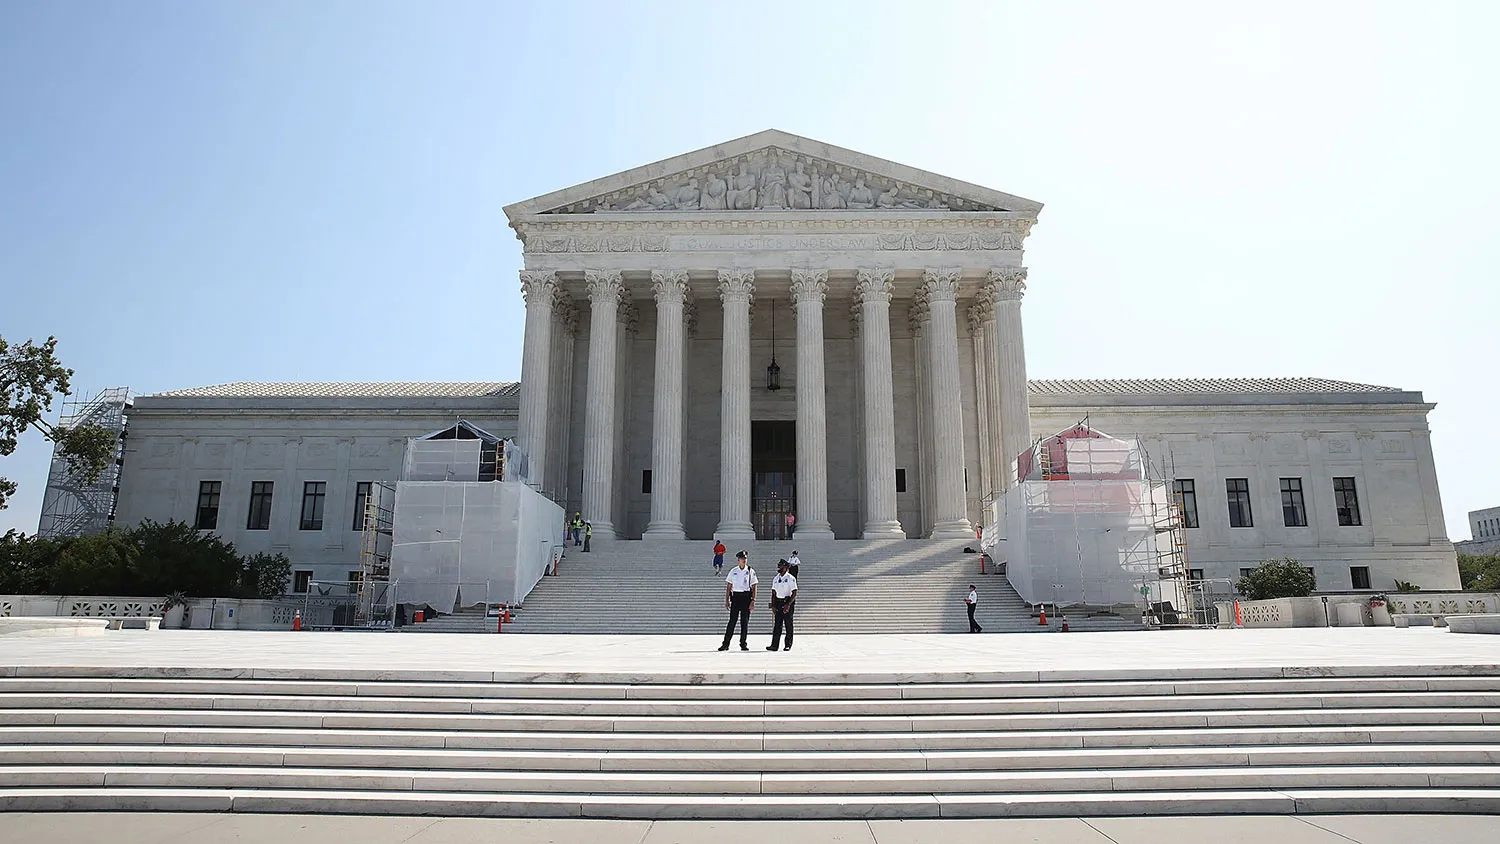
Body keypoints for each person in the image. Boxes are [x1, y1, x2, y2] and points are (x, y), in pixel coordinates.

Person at [718, 550, 757, 651]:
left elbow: (754, 586)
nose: (744, 560)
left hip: (746, 597)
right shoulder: (733, 571)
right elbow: (729, 586)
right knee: (732, 622)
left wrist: (753, 600)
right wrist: (727, 600)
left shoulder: (750, 571)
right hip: (736, 597)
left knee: (744, 622)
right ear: (738, 560)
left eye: (745, 559)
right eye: (742, 559)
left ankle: (743, 643)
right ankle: (725, 643)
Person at [766, 559, 797, 651]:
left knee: (788, 624)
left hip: (787, 602)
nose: (779, 568)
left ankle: (788, 644)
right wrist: (773, 606)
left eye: (781, 566)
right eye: (778, 566)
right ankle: (774, 645)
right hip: (778, 602)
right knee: (777, 625)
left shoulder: (791, 578)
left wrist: (788, 604)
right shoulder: (776, 578)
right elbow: (773, 593)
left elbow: (794, 592)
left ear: (786, 568)